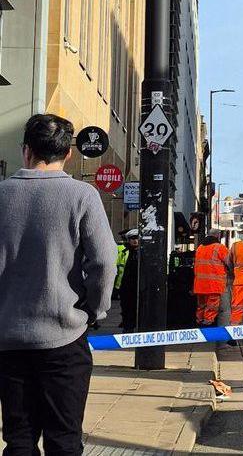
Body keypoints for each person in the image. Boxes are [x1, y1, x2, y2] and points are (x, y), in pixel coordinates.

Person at [0, 114, 116, 456]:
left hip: (8, 340)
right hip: (63, 338)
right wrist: (95, 310)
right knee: (64, 439)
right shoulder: (82, 195)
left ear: (26, 150)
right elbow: (104, 261)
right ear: (68, 154)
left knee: (18, 438)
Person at [193, 229, 229, 327]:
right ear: (217, 236)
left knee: (201, 306)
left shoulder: (200, 248)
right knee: (212, 307)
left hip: (200, 285)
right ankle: (208, 326)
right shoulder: (220, 248)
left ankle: (199, 322)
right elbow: (230, 262)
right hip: (214, 284)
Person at [117, 230, 141, 333]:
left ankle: (135, 325)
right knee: (126, 307)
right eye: (133, 239)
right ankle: (128, 326)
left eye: (137, 238)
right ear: (128, 240)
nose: (135, 241)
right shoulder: (123, 251)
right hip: (125, 285)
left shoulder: (143, 251)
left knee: (138, 307)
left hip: (138, 284)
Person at [114, 230, 130, 300]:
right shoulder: (123, 247)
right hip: (121, 267)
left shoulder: (118, 246)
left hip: (119, 267)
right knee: (118, 283)